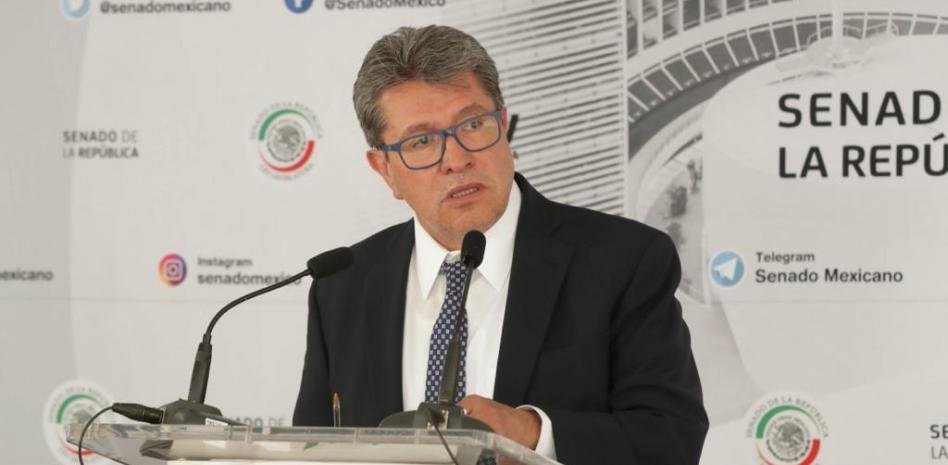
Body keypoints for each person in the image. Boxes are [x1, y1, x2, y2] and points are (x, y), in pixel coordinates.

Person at [293, 25, 708, 465]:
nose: (456, 160)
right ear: (384, 169)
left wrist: (533, 433)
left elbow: (671, 440)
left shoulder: (623, 261)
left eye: (473, 125)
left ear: (504, 124)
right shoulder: (344, 285)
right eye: (421, 141)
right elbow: (308, 451)